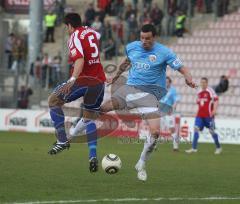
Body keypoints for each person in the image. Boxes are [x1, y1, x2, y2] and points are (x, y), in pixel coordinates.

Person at [71, 24, 196, 181]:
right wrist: (115, 77)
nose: (144, 41)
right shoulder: (132, 47)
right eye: (142, 38)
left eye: (148, 38)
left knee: (155, 132)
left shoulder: (164, 52)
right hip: (129, 90)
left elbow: (182, 68)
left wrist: (188, 78)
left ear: (154, 38)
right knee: (100, 109)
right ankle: (74, 133)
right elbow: (125, 63)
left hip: (149, 97)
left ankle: (141, 163)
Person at [47, 13, 106, 173]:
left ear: (69, 26)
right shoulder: (91, 31)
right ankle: (93, 156)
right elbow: (98, 36)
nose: (67, 30)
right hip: (99, 82)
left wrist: (72, 79)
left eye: (66, 27)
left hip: (83, 80)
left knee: (53, 101)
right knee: (89, 118)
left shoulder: (74, 37)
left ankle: (61, 140)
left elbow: (79, 60)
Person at [185, 77, 222, 155]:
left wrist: (214, 110)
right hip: (199, 116)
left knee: (211, 131)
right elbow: (200, 105)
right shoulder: (199, 92)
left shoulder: (210, 91)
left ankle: (218, 147)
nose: (203, 84)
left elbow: (216, 100)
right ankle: (194, 148)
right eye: (201, 82)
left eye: (204, 82)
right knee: (196, 129)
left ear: (207, 83)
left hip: (208, 116)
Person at [159, 76, 181, 151]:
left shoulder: (173, 90)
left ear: (170, 83)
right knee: (156, 129)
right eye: (165, 82)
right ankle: (152, 146)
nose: (166, 83)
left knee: (172, 129)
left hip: (169, 113)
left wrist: (173, 108)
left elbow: (176, 100)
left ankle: (175, 147)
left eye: (167, 82)